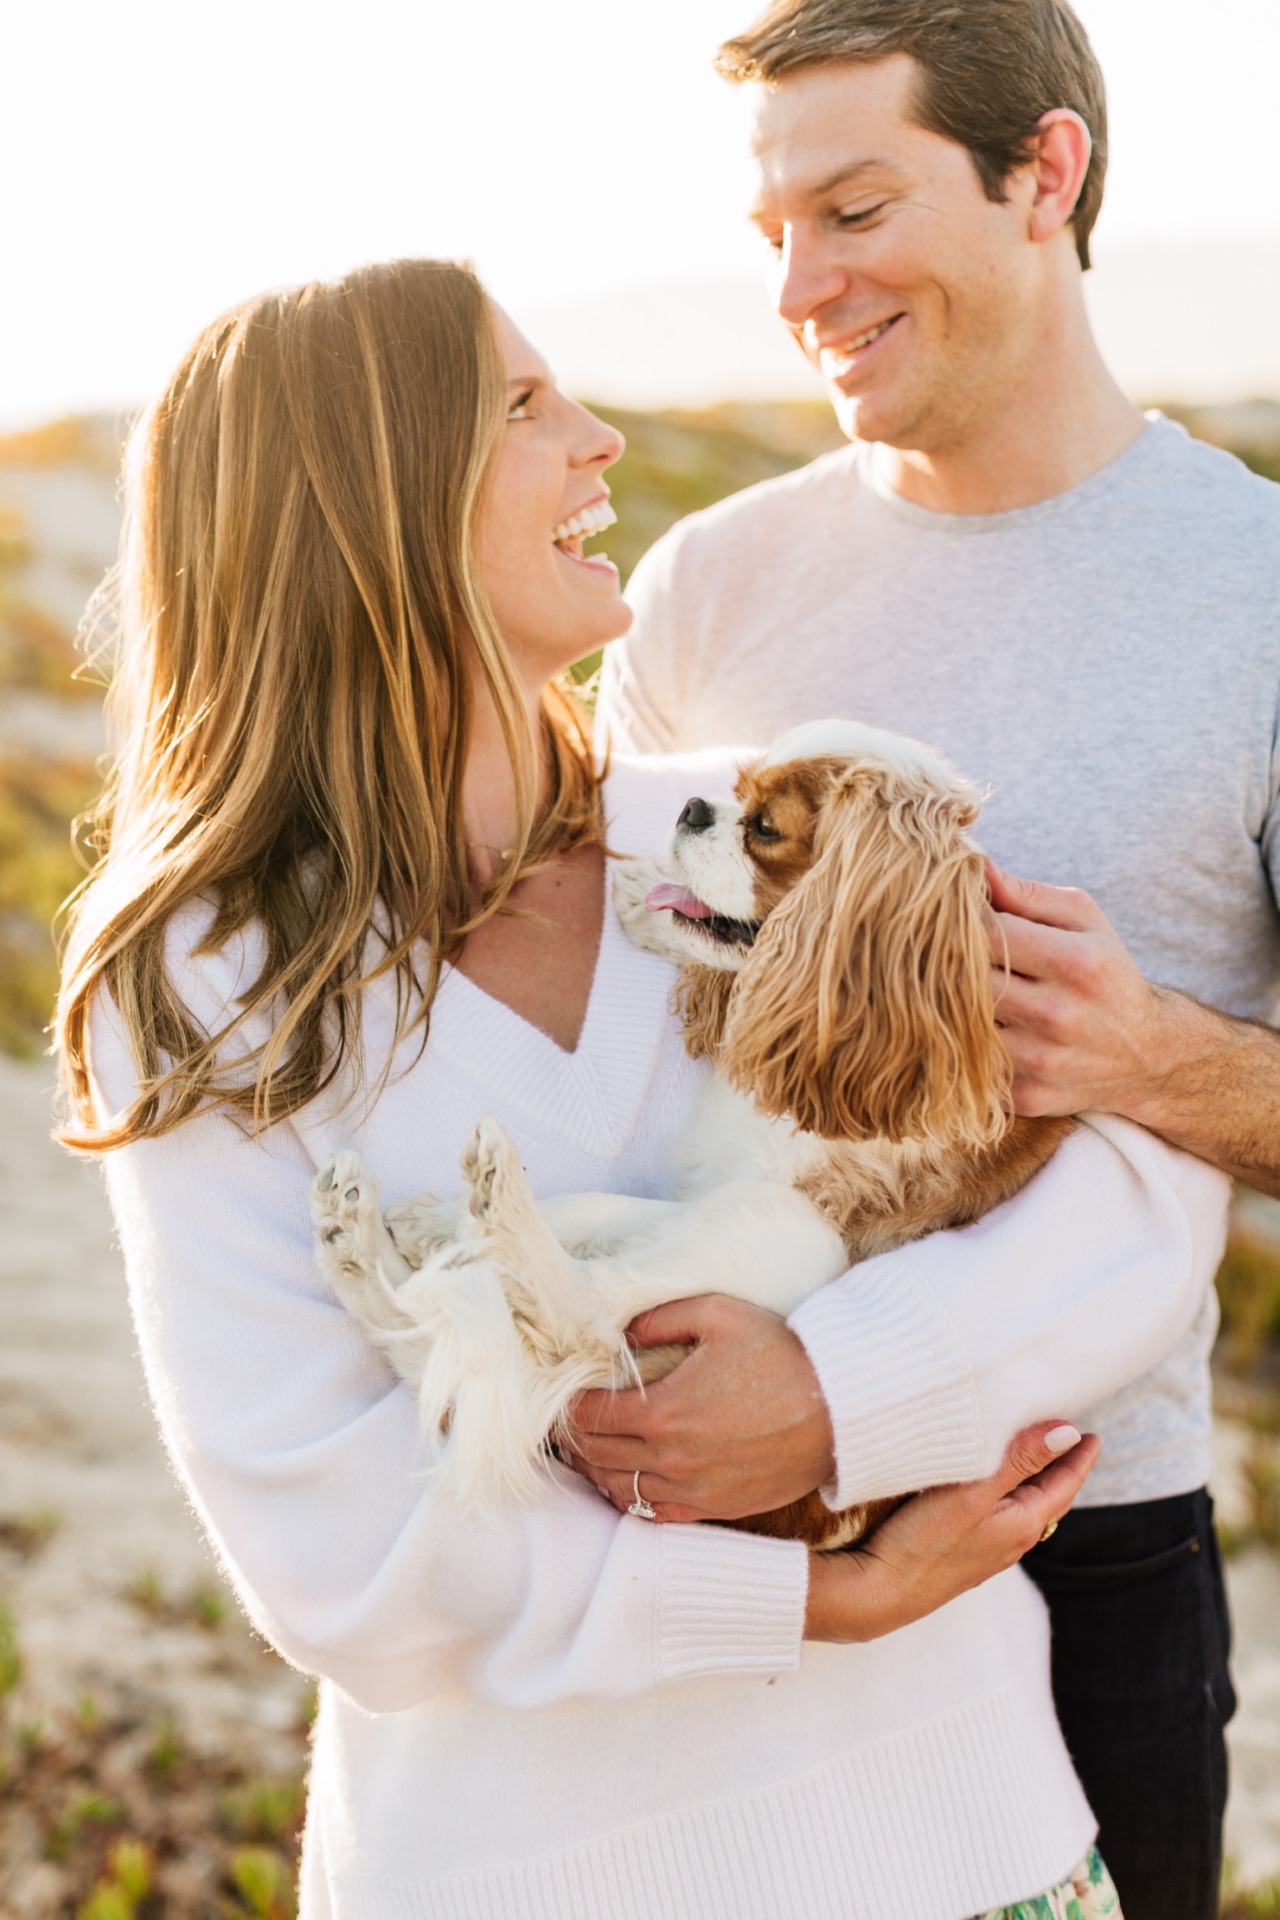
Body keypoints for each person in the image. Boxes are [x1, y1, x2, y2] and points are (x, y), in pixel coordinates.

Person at [54, 258, 1222, 1918]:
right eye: (524, 407)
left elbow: (1135, 1184)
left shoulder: (772, 831)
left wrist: (837, 1389)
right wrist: (811, 1599)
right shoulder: (199, 982)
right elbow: (333, 1553)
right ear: (368, 499)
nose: (599, 440)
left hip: (967, 1846)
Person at [590, 3, 1280, 1915]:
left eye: (859, 206)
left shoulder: (1261, 600)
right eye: (775, 234)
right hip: (699, 1521)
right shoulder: (707, 586)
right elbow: (579, 1023)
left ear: (1043, 175)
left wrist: (1159, 1062)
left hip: (1071, 1543)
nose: (804, 285)